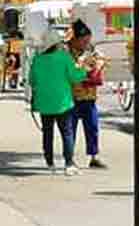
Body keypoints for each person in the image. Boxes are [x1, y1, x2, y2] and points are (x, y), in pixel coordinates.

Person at [29, 28, 88, 175]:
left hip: (44, 103)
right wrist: (85, 70)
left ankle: (49, 163)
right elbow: (75, 77)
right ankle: (69, 164)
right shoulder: (64, 57)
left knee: (47, 133)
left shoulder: (37, 59)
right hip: (63, 102)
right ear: (56, 44)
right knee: (67, 133)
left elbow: (32, 80)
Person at [67, 19, 108, 169]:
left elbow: (101, 59)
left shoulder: (91, 50)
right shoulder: (66, 52)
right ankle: (69, 158)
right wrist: (84, 69)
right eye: (83, 40)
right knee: (70, 130)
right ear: (76, 39)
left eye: (88, 40)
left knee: (92, 127)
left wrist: (98, 65)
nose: (86, 43)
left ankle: (94, 156)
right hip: (71, 98)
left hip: (89, 97)